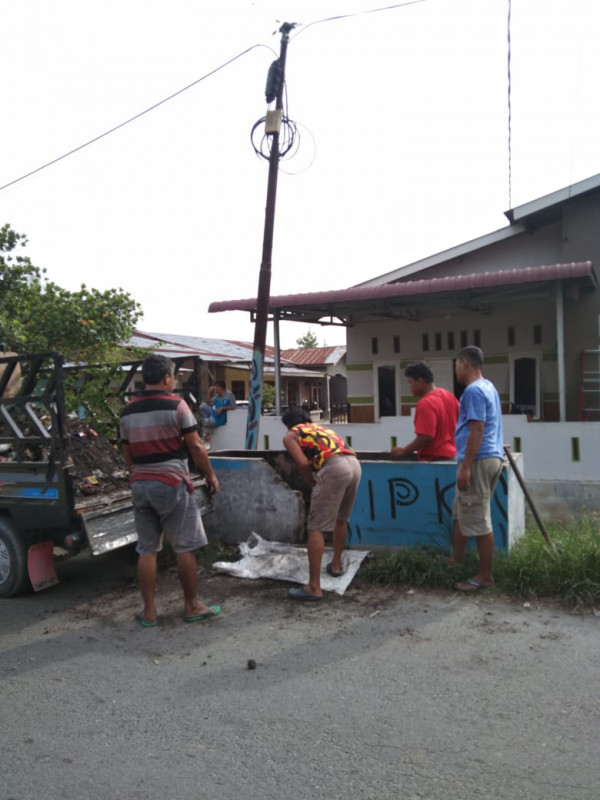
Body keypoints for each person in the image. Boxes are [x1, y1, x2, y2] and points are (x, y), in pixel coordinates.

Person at [120, 355, 221, 627]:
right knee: (185, 546)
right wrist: (210, 475)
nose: (173, 380)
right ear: (166, 378)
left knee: (147, 549)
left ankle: (149, 612)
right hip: (171, 483)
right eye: (173, 376)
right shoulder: (177, 405)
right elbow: (196, 446)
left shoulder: (128, 411)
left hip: (140, 484)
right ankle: (191, 606)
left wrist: (138, 475)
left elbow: (127, 453)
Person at [282, 407, 361, 601]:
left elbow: (302, 463)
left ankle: (314, 587)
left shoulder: (291, 435)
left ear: (287, 423)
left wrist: (311, 482)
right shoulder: (322, 429)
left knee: (316, 527)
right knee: (341, 519)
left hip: (334, 468)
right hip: (354, 464)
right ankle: (336, 566)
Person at [447, 346, 504, 591]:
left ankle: (485, 576)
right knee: (462, 511)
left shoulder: (473, 391)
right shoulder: (488, 386)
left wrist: (466, 466)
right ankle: (456, 560)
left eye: (457, 365)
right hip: (490, 456)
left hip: (479, 460)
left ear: (465, 363)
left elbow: (477, 429)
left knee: (479, 518)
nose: (456, 371)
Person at [391, 361, 459, 461]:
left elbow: (426, 436)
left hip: (434, 462)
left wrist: (404, 451)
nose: (409, 386)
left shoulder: (426, 403)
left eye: (410, 382)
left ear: (420, 381)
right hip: (453, 457)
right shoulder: (449, 396)